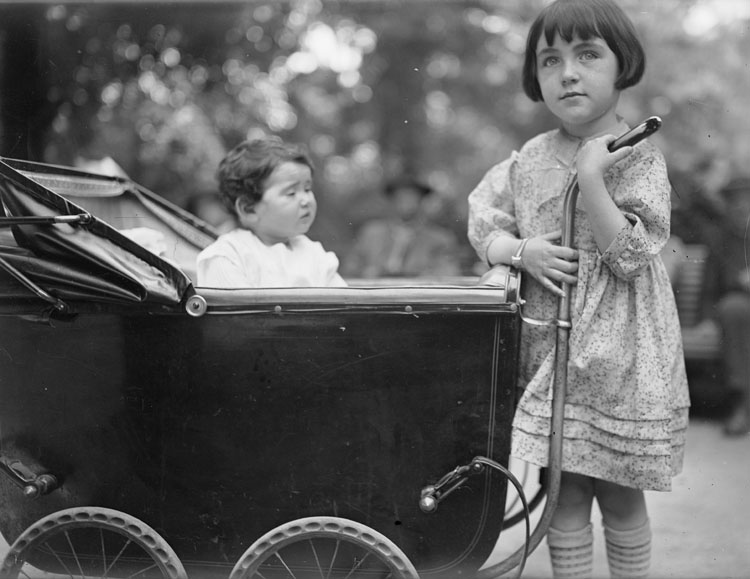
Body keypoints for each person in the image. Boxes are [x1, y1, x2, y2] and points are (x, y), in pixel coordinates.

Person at [467, 1, 690, 577]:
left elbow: (632, 256)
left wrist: (591, 175)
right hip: (553, 347)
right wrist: (520, 251)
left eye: (587, 55)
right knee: (563, 488)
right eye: (550, 60)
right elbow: (482, 220)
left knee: (616, 490)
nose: (567, 72)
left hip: (620, 353)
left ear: (622, 67)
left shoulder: (638, 155)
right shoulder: (529, 159)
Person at [196, 137, 346, 288]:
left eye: (307, 189)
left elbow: (346, 305)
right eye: (291, 193)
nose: (306, 200)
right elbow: (234, 309)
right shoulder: (227, 256)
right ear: (249, 208)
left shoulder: (314, 253)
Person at [342, 175, 463, 279]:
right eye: (400, 196)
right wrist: (367, 273)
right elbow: (350, 268)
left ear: (421, 200)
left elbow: (449, 273)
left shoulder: (440, 238)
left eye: (411, 196)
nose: (406, 201)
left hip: (418, 301)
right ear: (392, 200)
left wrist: (419, 276)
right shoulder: (370, 233)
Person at [703, 177, 750, 436]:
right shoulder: (721, 236)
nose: (741, 206)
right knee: (734, 309)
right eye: (735, 201)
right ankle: (742, 404)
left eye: (746, 200)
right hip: (739, 303)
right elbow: (710, 283)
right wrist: (705, 318)